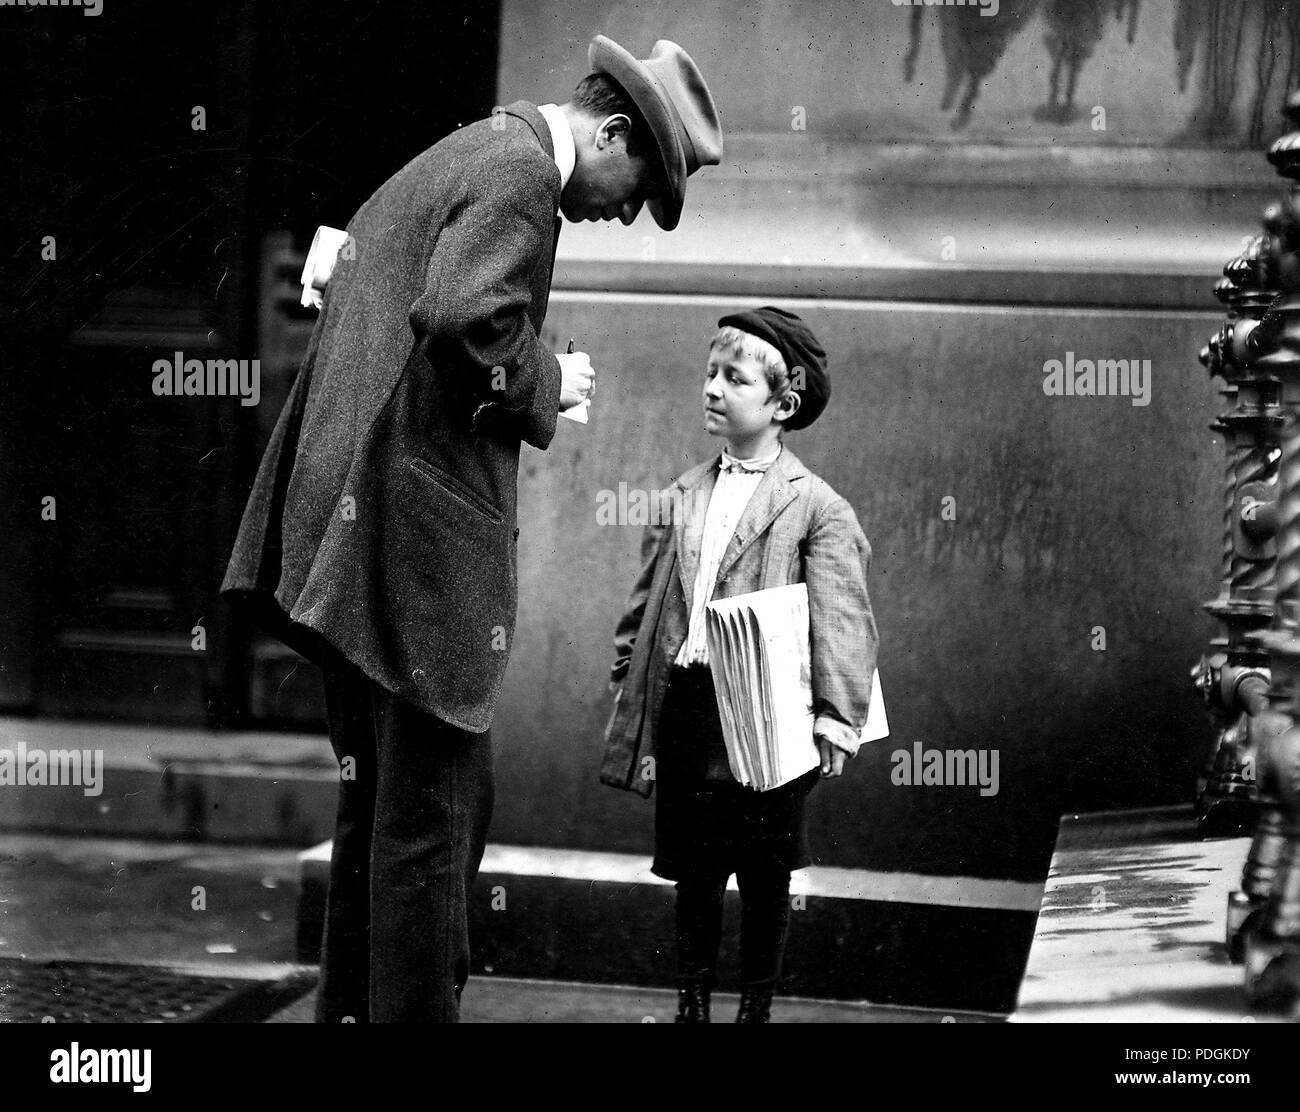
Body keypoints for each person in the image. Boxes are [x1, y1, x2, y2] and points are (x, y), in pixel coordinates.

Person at [220, 36, 722, 1023]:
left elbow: (388, 298)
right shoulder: (522, 173)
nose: (626, 210)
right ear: (612, 131)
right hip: (414, 561)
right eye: (640, 185)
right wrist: (546, 380)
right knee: (433, 830)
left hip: (349, 544)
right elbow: (460, 315)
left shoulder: (469, 151)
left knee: (381, 816)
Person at [600, 307, 879, 1023]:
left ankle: (755, 1007)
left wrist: (836, 721)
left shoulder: (815, 508)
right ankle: (691, 1000)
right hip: (691, 709)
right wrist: (631, 679)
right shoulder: (682, 494)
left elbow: (843, 622)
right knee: (694, 871)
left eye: (735, 378)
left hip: (769, 718)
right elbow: (647, 604)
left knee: (764, 873)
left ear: (783, 404)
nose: (714, 389)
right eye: (710, 373)